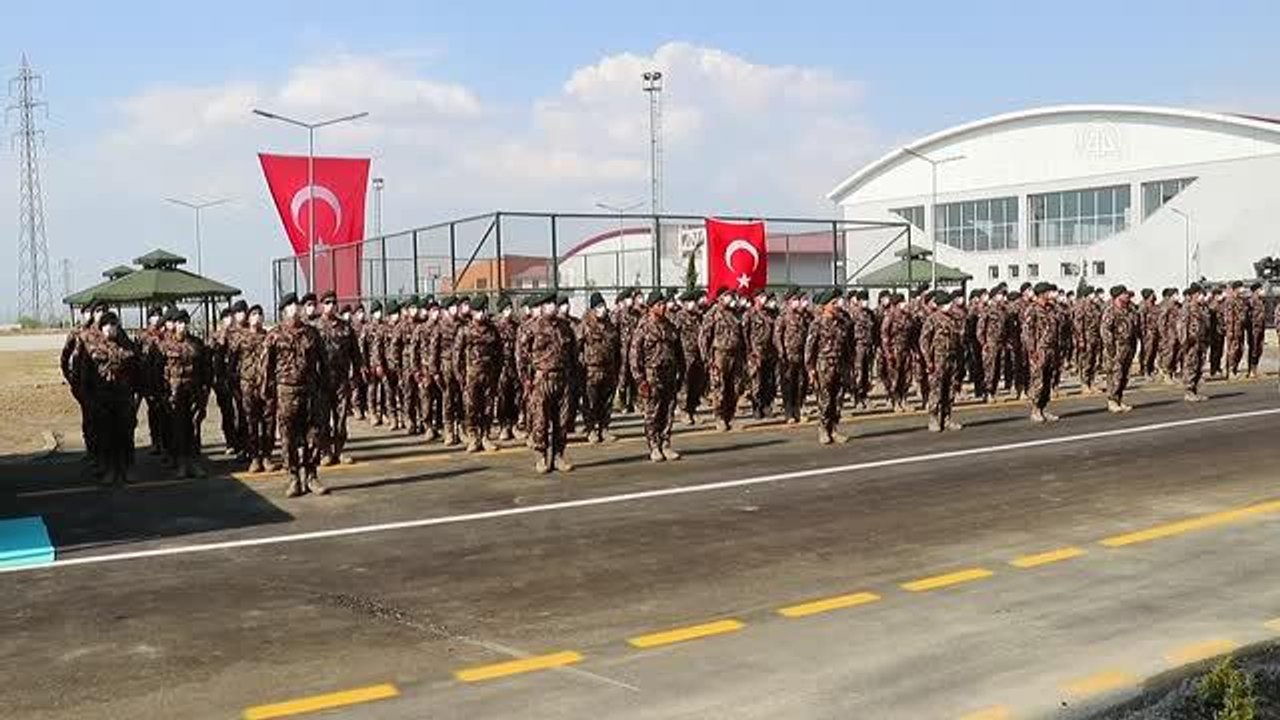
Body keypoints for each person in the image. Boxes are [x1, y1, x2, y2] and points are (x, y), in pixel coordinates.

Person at [261, 292, 328, 497]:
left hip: (310, 391)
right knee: (288, 437)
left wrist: (324, 386)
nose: (296, 309)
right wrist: (267, 393)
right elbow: (266, 367)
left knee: (314, 434)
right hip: (286, 392)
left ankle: (311, 475)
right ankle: (293, 478)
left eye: (297, 305)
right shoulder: (274, 335)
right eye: (291, 306)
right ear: (284, 311)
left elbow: (322, 362)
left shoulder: (312, 333)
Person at [518, 291, 577, 473]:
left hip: (562, 379)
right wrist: (527, 380)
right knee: (540, 421)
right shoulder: (532, 328)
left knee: (562, 420)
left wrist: (571, 376)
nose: (553, 307)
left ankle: (558, 456)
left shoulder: (565, 327)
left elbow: (573, 353)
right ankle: (541, 457)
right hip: (542, 379)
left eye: (554, 303)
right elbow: (522, 356)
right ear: (542, 307)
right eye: (549, 304)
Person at [79, 310, 141, 485]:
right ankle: (110, 469)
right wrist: (88, 399)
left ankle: (128, 468)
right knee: (106, 436)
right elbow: (86, 376)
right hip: (103, 399)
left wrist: (137, 396)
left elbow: (137, 372)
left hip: (123, 398)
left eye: (113, 325)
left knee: (126, 435)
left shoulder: (127, 347)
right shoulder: (92, 348)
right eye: (106, 325)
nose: (110, 329)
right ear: (101, 328)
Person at [631, 288, 683, 461]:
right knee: (652, 412)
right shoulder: (643, 326)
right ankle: (654, 446)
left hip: (669, 373)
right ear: (651, 307)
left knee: (668, 410)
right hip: (652, 375)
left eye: (663, 304)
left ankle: (666, 444)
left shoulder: (670, 326)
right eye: (659, 304)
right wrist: (640, 380)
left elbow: (678, 351)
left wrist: (681, 372)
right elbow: (634, 355)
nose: (663, 307)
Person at [160, 308, 211, 477]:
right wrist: (163, 393)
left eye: (185, 323)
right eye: (179, 323)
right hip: (175, 394)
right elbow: (158, 370)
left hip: (194, 392)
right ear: (174, 325)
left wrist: (205, 390)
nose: (183, 326)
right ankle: (181, 463)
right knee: (178, 428)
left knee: (194, 428)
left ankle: (194, 463)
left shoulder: (196, 344)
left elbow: (205, 369)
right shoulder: (165, 345)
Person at [316, 290, 361, 464]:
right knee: (323, 417)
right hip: (322, 380)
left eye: (333, 303)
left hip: (341, 379)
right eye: (327, 303)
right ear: (322, 305)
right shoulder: (315, 327)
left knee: (341, 418)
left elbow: (355, 353)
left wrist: (357, 372)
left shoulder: (345, 327)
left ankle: (339, 449)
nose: (331, 306)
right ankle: (325, 451)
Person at [453, 294, 502, 452]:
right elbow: (457, 355)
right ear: (472, 312)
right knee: (471, 408)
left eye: (484, 309)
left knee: (488, 408)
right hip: (471, 375)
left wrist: (497, 374)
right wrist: (461, 377)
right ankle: (473, 437)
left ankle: (486, 436)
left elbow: (499, 353)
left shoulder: (492, 330)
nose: (482, 313)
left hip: (489, 375)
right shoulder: (465, 330)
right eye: (479, 310)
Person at [805, 289, 851, 444]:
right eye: (833, 303)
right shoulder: (816, 324)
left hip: (839, 365)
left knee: (837, 400)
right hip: (823, 366)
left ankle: (834, 429)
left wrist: (849, 365)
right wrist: (810, 369)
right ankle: (823, 429)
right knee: (825, 400)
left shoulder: (842, 322)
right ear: (825, 306)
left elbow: (846, 346)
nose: (837, 305)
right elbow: (810, 348)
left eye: (837, 302)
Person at [577, 291, 622, 444]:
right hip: (591, 370)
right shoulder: (585, 325)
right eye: (599, 306)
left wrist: (617, 368)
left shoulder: (610, 325)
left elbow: (617, 347)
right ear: (593, 308)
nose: (602, 309)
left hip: (609, 369)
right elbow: (577, 347)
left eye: (603, 305)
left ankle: (604, 428)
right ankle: (591, 429)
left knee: (606, 402)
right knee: (591, 402)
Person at [233, 304, 273, 473]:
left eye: (260, 314)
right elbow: (232, 362)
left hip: (267, 386)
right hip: (248, 385)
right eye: (254, 314)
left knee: (268, 422)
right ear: (249, 318)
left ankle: (267, 456)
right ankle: (255, 456)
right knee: (251, 422)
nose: (257, 317)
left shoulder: (269, 337)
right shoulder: (240, 338)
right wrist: (235, 385)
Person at [700, 288, 746, 431]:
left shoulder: (735, 314)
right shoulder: (713, 314)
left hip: (735, 354)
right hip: (719, 355)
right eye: (727, 296)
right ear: (720, 298)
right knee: (719, 387)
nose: (730, 298)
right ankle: (719, 417)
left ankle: (730, 417)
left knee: (735, 387)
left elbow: (742, 336)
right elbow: (704, 337)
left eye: (731, 296)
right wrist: (707, 358)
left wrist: (744, 355)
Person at [919, 290, 964, 432]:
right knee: (936, 389)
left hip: (951, 358)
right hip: (938, 359)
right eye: (947, 303)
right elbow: (923, 341)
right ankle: (933, 419)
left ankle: (947, 418)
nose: (950, 305)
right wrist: (928, 360)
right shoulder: (932, 319)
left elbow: (958, 340)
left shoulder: (953, 319)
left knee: (950, 389)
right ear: (940, 305)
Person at [1023, 282, 1060, 423]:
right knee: (1038, 381)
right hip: (1039, 351)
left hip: (1051, 350)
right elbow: (1028, 332)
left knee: (1048, 380)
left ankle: (1043, 408)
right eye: (1048, 292)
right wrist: (1032, 350)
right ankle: (1035, 410)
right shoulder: (1032, 310)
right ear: (1042, 293)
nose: (1051, 294)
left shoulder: (1051, 309)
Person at [1100, 285, 1139, 413]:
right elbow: (1105, 330)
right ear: (1118, 296)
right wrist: (1111, 349)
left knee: (1124, 375)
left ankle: (1119, 399)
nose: (1128, 296)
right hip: (1115, 348)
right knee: (1115, 374)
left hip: (1128, 347)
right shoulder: (1110, 311)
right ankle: (1112, 400)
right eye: (1125, 294)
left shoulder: (1130, 310)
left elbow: (1134, 328)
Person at [773, 287, 809, 423]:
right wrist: (782, 353)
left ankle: (797, 410)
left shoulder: (801, 317)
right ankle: (789, 413)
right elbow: (777, 336)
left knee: (799, 384)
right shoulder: (782, 317)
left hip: (799, 355)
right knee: (787, 386)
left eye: (798, 300)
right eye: (794, 300)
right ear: (788, 301)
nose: (797, 302)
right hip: (787, 356)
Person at [137, 305, 168, 456]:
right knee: (153, 412)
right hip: (148, 380)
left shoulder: (166, 334)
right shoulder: (143, 336)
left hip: (165, 380)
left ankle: (166, 442)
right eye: (153, 315)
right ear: (149, 318)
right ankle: (155, 442)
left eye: (158, 314)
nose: (156, 317)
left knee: (166, 412)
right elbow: (136, 357)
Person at [743, 290, 778, 418]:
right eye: (762, 297)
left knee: (769, 381)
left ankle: (767, 405)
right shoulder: (749, 314)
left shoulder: (770, 313)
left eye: (765, 297)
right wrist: (749, 352)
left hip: (770, 352)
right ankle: (756, 407)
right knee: (756, 382)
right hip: (755, 353)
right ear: (756, 298)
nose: (764, 299)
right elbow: (745, 334)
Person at [675, 289, 707, 425]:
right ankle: (684, 411)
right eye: (690, 302)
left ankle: (693, 410)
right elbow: (674, 337)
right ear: (684, 303)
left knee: (697, 384)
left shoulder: (698, 316)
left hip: (698, 355)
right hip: (685, 356)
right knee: (685, 385)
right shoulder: (679, 317)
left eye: (694, 301)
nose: (693, 304)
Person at [493, 295, 522, 441]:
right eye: (506, 309)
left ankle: (514, 424)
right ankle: (504, 426)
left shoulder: (517, 326)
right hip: (501, 366)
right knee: (503, 396)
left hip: (514, 365)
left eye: (510, 308)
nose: (509, 311)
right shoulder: (496, 327)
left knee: (516, 396)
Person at [880, 293, 913, 412]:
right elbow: (884, 334)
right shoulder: (890, 316)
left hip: (906, 350)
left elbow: (911, 334)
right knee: (895, 377)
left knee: (907, 377)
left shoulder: (907, 316)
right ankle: (895, 401)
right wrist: (888, 352)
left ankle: (904, 399)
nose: (906, 304)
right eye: (903, 302)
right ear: (898, 304)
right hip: (894, 350)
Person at [1180, 283, 1211, 402]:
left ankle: (1194, 391)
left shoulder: (1202, 308)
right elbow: (1182, 326)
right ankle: (1188, 392)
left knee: (1198, 367)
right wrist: (1185, 342)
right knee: (1191, 366)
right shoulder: (1187, 307)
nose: (1203, 297)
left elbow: (1206, 325)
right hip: (1191, 343)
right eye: (1201, 294)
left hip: (1201, 342)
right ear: (1195, 295)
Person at [846, 289, 875, 410]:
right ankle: (856, 396)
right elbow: (848, 332)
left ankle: (864, 395)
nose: (865, 302)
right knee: (857, 373)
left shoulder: (870, 314)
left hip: (868, 346)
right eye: (863, 299)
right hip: (857, 347)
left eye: (866, 299)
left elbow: (875, 329)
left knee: (866, 373)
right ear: (857, 301)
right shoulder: (852, 314)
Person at [978, 285, 1007, 403]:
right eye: (1000, 294)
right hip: (990, 343)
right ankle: (987, 392)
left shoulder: (1003, 311)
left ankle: (993, 391)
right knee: (989, 369)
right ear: (994, 296)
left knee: (997, 369)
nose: (1002, 297)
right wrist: (983, 343)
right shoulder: (987, 310)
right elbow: (980, 328)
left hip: (1000, 344)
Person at [1073, 286, 1103, 393]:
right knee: (1086, 361)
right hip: (1086, 337)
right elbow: (1078, 323)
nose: (1094, 296)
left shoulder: (1095, 306)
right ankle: (1084, 384)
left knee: (1094, 361)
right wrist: (1080, 339)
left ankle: (1092, 382)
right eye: (1092, 294)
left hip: (1095, 337)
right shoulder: (1081, 305)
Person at [1222, 280, 1248, 379]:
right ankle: (1230, 371)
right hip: (1233, 329)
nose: (1243, 290)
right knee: (1232, 350)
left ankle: (1235, 369)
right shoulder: (1230, 300)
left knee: (1240, 350)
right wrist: (1230, 331)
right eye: (1241, 288)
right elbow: (1229, 317)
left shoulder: (1240, 300)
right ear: (1236, 289)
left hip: (1240, 329)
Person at [1157, 288, 1182, 382]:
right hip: (1169, 334)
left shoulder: (1178, 306)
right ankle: (1166, 373)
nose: (1177, 296)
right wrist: (1163, 335)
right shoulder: (1165, 306)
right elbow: (1161, 321)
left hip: (1177, 333)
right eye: (1175, 294)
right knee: (1169, 354)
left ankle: (1173, 372)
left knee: (1177, 354)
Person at [1245, 282, 1267, 378]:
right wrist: (1249, 327)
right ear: (1256, 290)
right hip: (1253, 329)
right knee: (1253, 349)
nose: (1262, 291)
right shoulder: (1251, 301)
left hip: (1260, 327)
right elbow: (1246, 315)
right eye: (1260, 289)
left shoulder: (1261, 300)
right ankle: (1251, 370)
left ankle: (1255, 368)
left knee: (1259, 349)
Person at [1138, 288, 1160, 378]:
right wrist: (1143, 334)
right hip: (1147, 333)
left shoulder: (1154, 306)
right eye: (1152, 294)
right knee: (1147, 352)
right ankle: (1145, 370)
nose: (1154, 295)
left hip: (1155, 332)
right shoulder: (1143, 306)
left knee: (1153, 352)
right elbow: (1141, 321)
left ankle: (1151, 369)